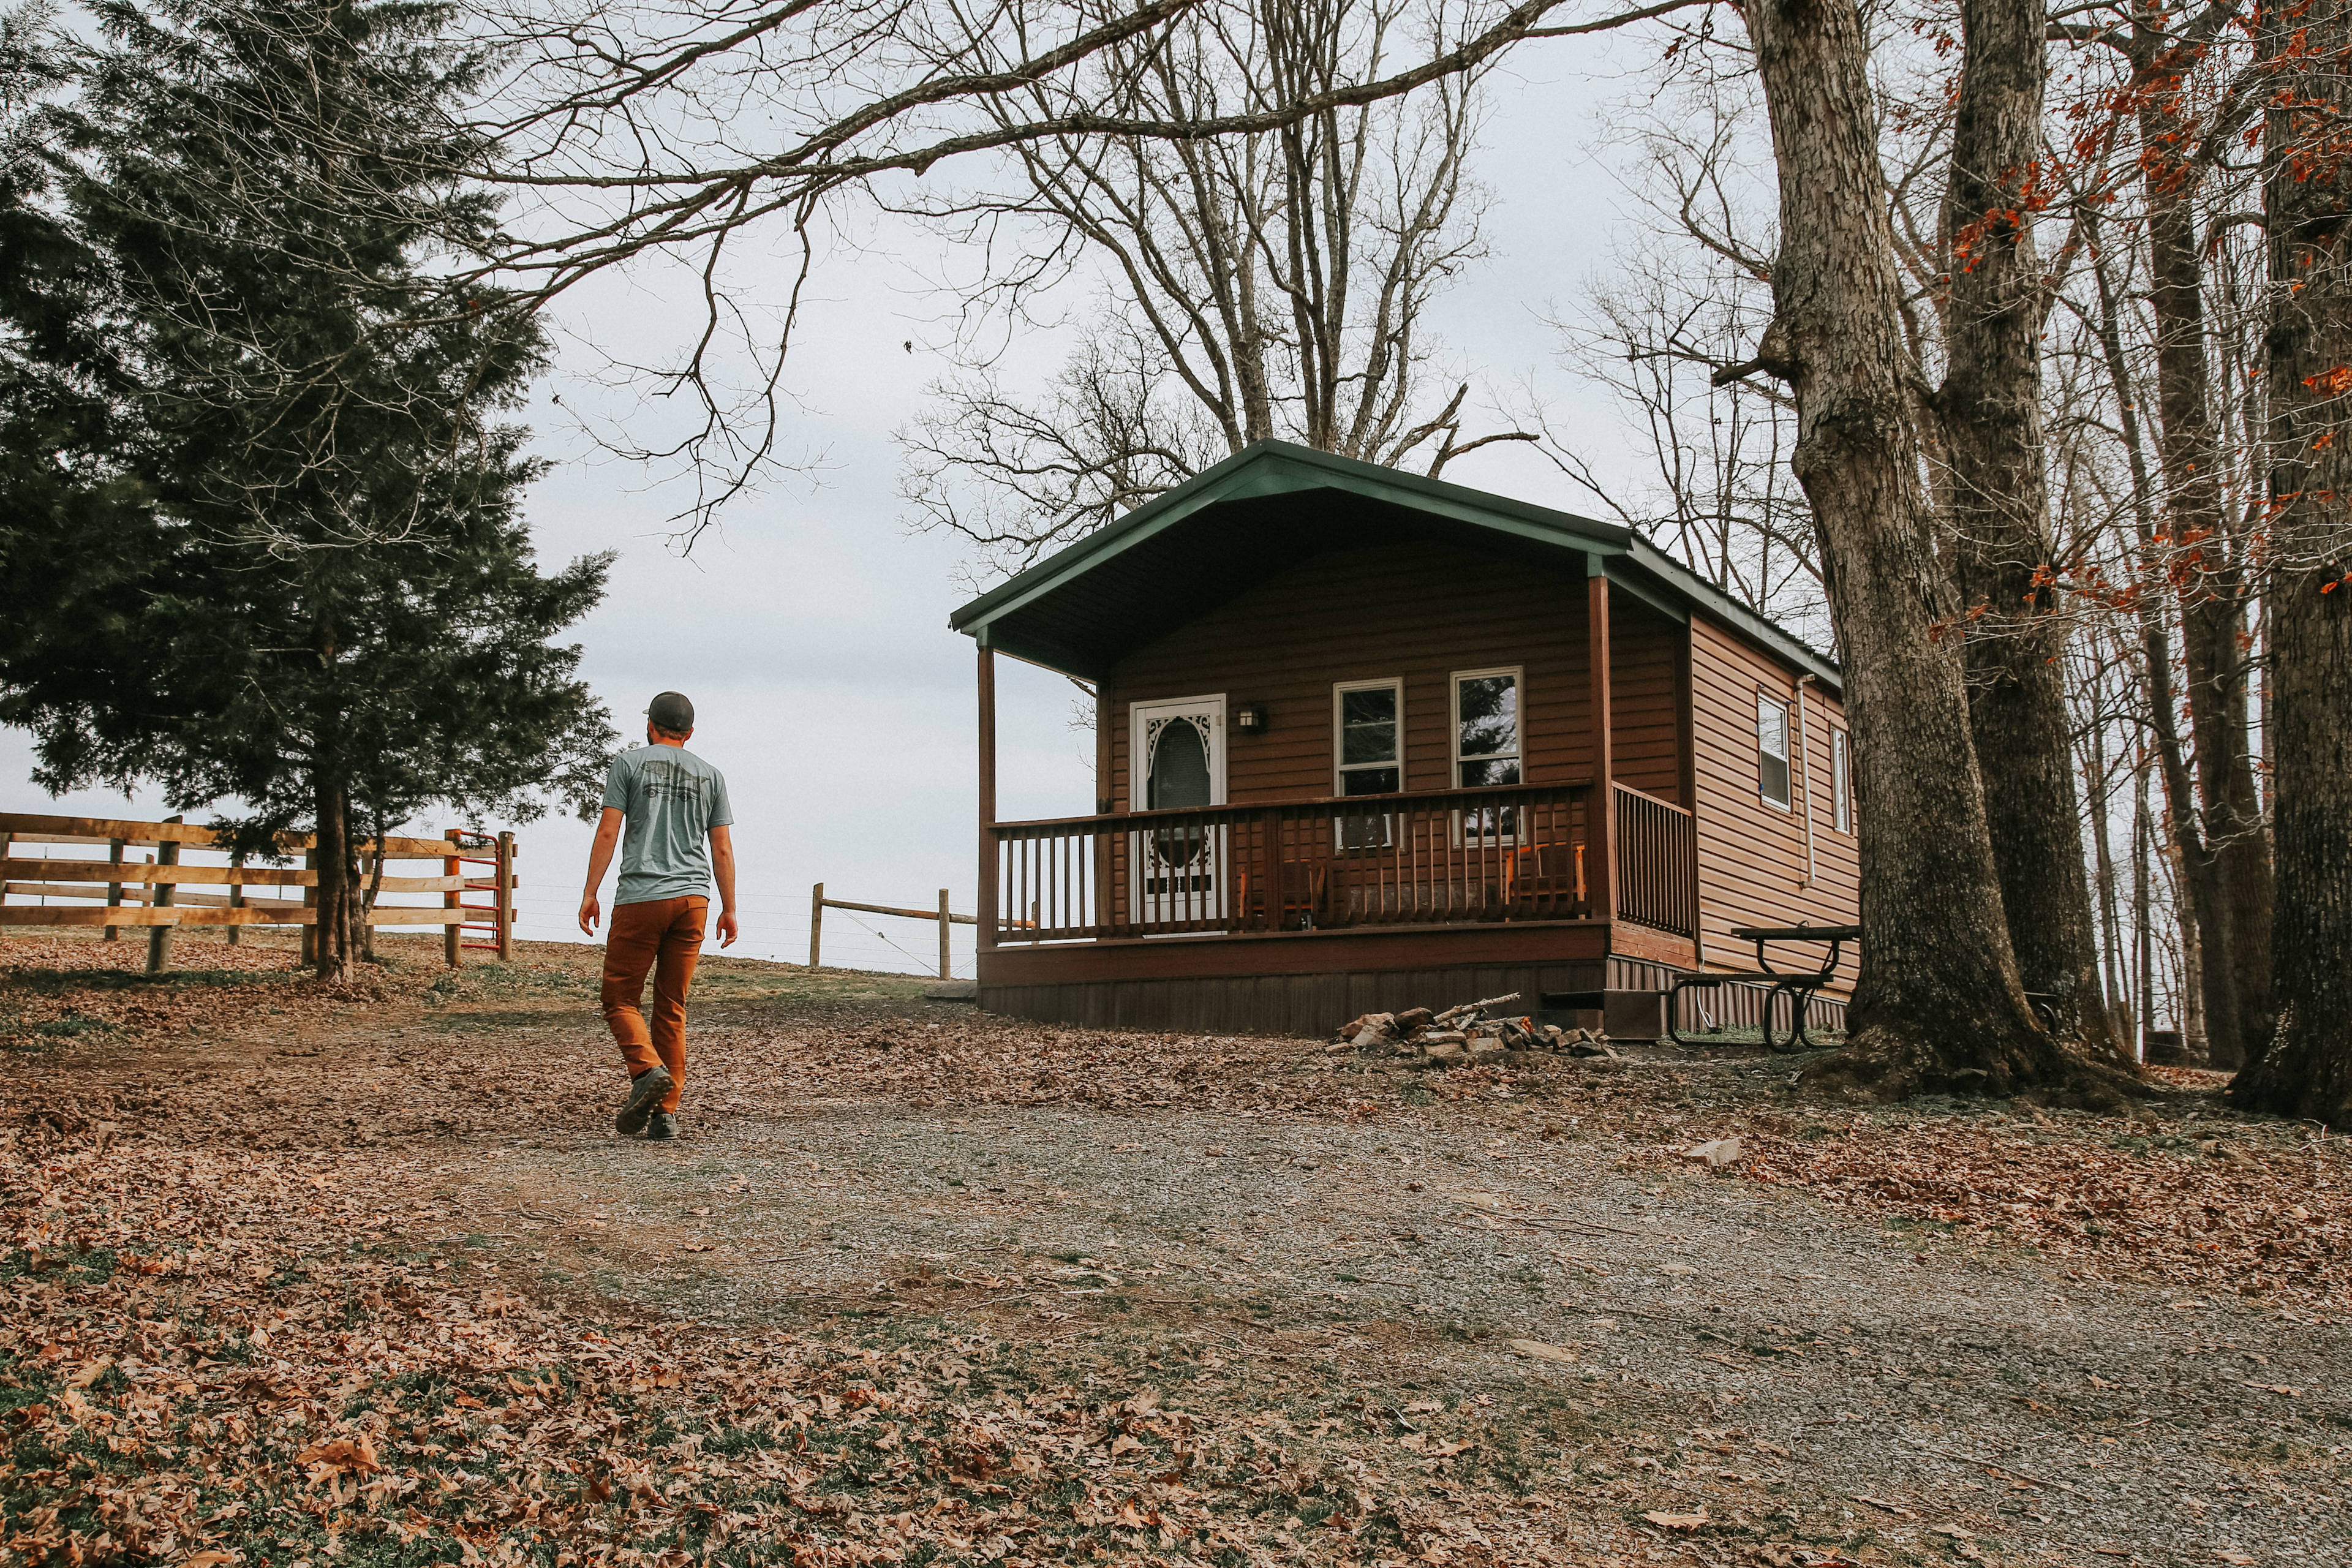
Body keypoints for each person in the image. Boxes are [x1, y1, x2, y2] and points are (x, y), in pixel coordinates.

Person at [578, 692, 738, 1140]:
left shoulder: (628, 764)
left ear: (650, 726)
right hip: (694, 902)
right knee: (671, 1006)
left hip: (641, 897)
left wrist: (590, 892)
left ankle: (648, 1070)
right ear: (689, 733)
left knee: (620, 999)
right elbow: (721, 847)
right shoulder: (712, 776)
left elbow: (609, 828)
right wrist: (729, 907)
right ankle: (665, 1113)